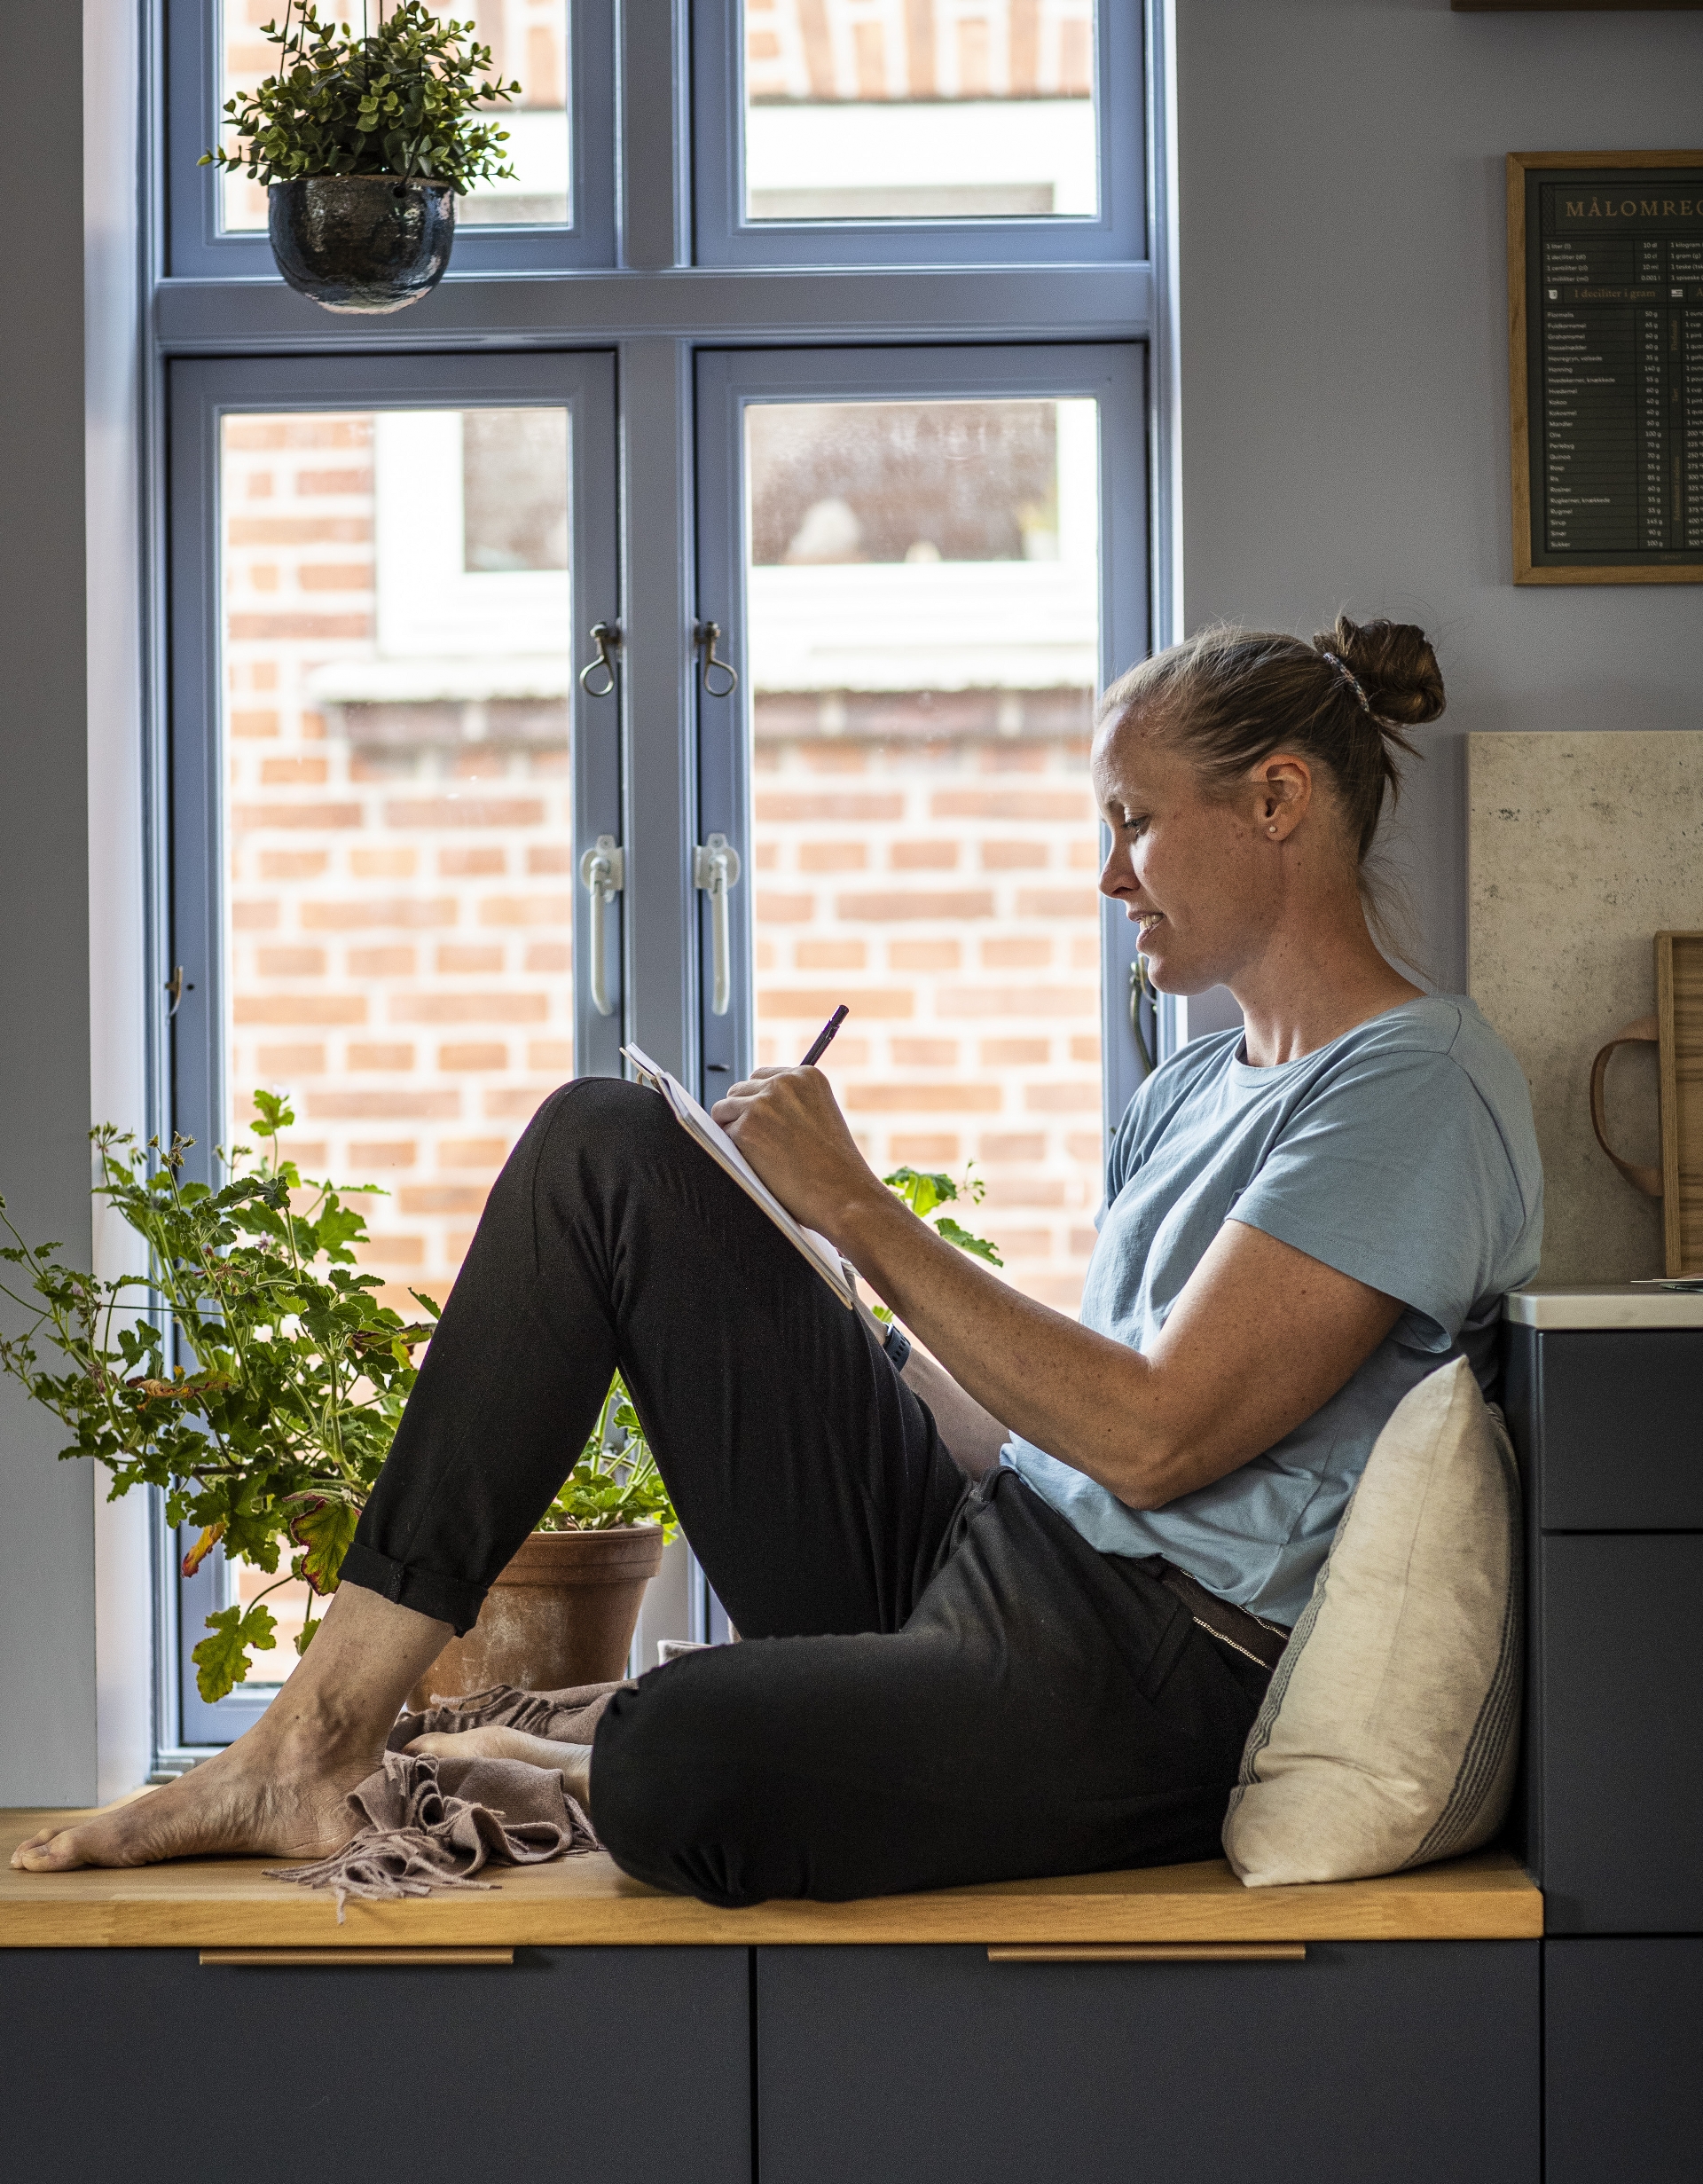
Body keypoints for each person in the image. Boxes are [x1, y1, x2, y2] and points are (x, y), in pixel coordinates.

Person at [13, 616, 1542, 1903]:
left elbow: (1159, 1434)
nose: (1109, 875)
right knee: (605, 1150)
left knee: (677, 1755)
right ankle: (312, 1741)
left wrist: (867, 1211)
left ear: (1276, 801)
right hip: (998, 1550)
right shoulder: (1195, 1087)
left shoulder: (1414, 1080)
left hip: (1153, 1671)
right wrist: (808, 1293)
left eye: (1132, 823)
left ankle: (585, 1740)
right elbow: (1049, 1442)